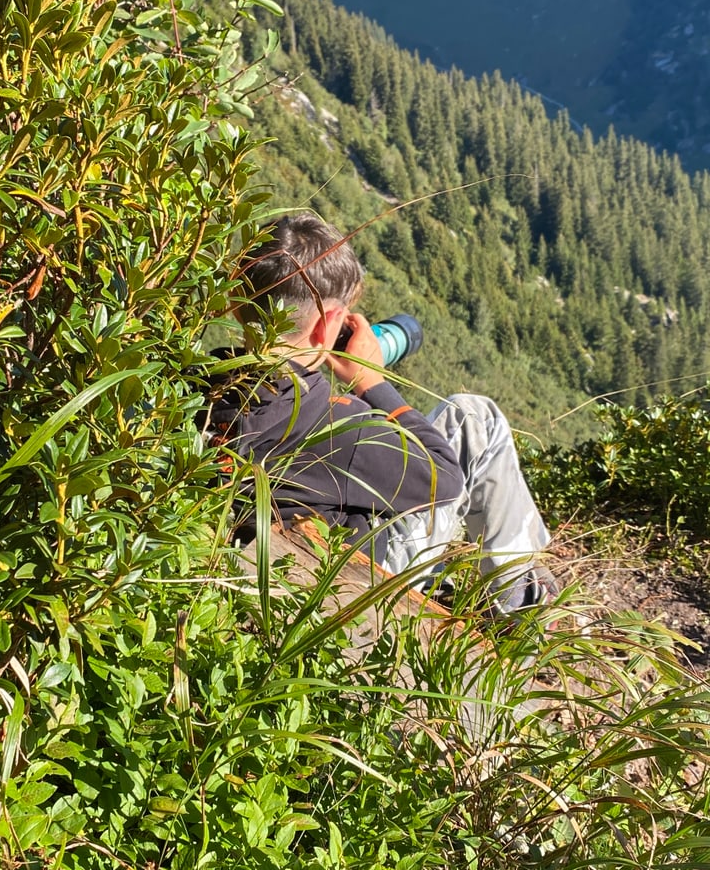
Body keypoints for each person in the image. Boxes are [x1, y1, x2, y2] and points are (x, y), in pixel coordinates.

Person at [209, 212, 557, 613]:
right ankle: (519, 602)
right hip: (359, 577)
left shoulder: (204, 385)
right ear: (328, 327)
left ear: (237, 303)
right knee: (474, 417)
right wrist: (371, 382)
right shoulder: (334, 426)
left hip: (283, 549)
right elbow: (445, 480)